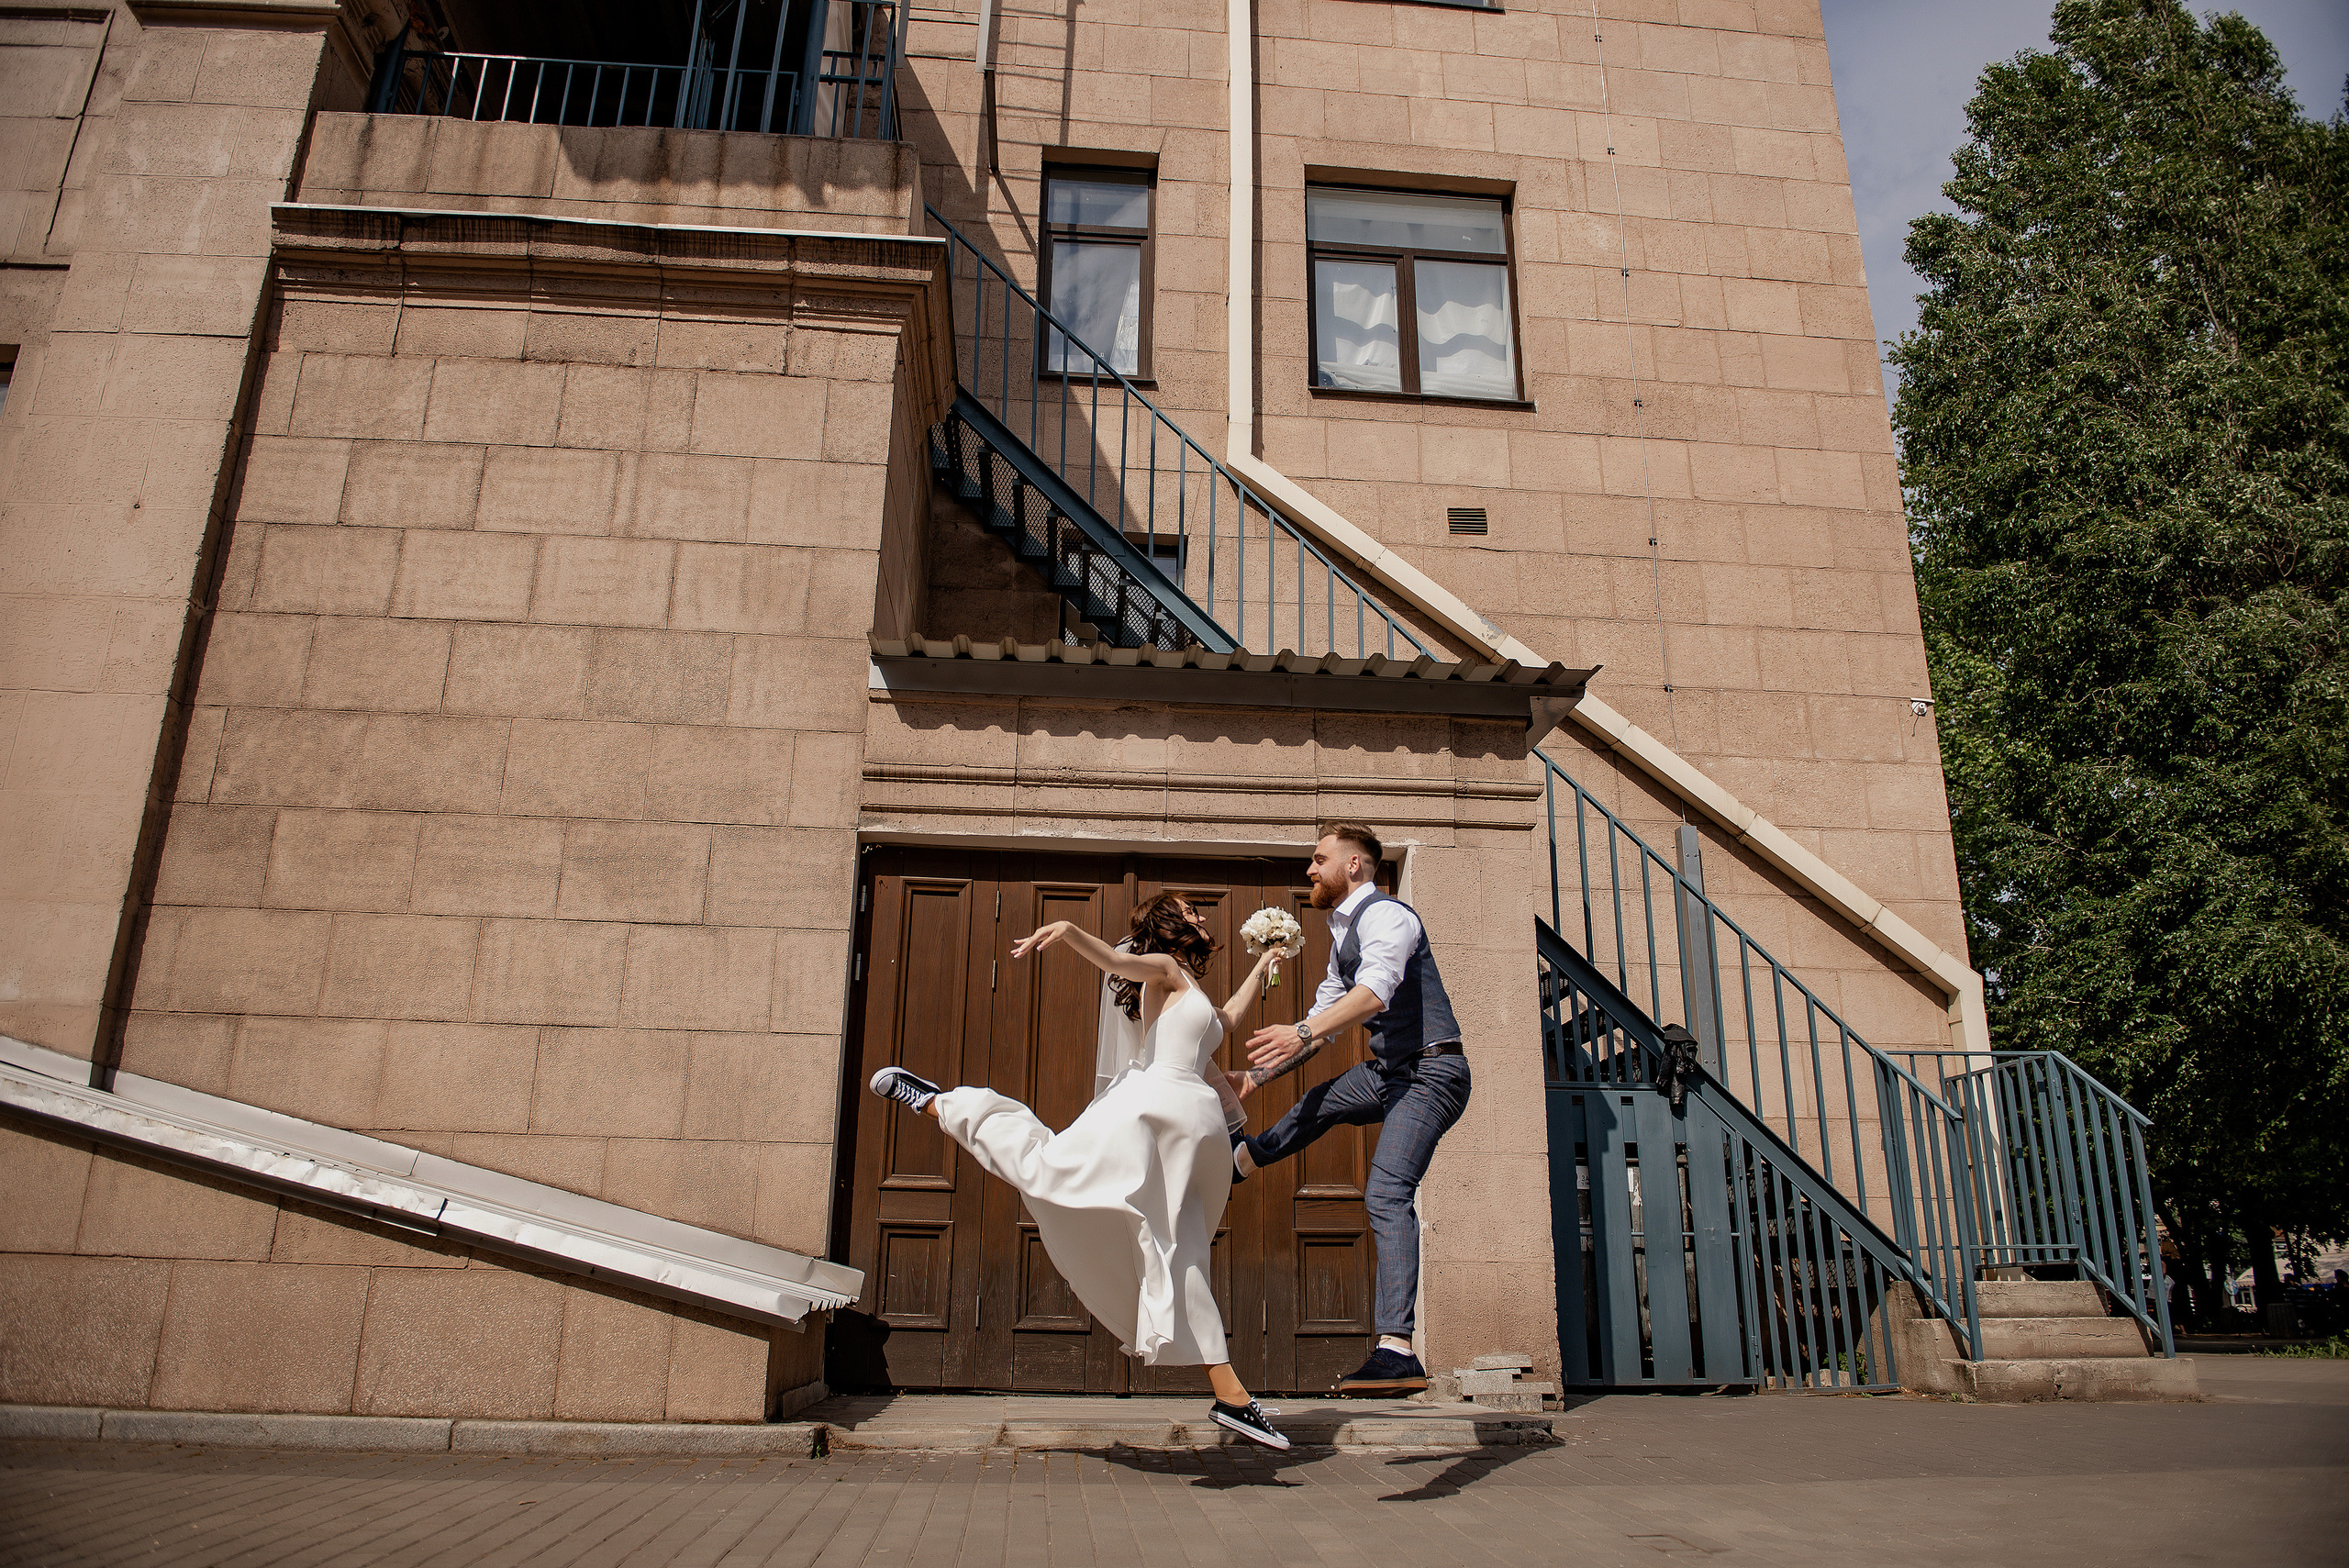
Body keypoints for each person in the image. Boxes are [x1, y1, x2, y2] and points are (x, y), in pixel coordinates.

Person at [865, 891, 1291, 1450]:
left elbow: (1227, 1019)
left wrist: (1264, 962)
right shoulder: (1160, 969)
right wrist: (1069, 929)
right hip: (1150, 1111)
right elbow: (1116, 962)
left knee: (1180, 1248)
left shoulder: (1188, 985)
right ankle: (942, 1104)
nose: (1202, 915)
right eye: (1191, 909)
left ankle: (1231, 1397)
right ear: (1170, 922)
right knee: (1050, 1168)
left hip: (1196, 1128)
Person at [1231, 822, 1471, 1396]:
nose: (1310, 871)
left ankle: (1397, 1350)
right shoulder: (1342, 939)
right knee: (1321, 1103)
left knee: (1386, 1193)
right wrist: (1256, 1075)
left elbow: (1376, 994)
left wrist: (1300, 1029)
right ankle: (1244, 1159)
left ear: (1354, 866)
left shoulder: (1389, 917)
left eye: (1319, 860)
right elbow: (1322, 1027)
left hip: (1432, 1073)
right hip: (1391, 1072)